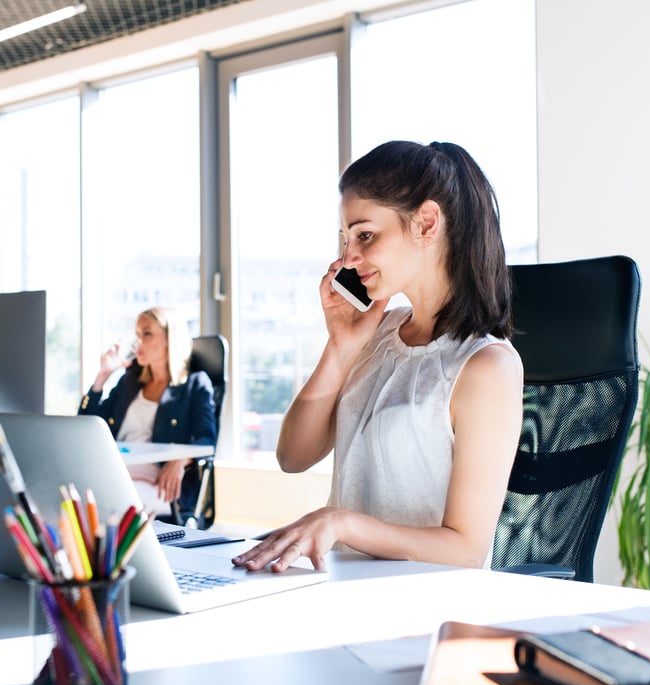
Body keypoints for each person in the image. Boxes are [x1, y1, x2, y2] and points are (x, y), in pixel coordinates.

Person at [232, 140, 523, 574]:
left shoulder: (486, 366)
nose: (348, 257)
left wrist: (342, 523)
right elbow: (293, 456)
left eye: (365, 235)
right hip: (340, 585)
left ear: (426, 223)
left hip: (419, 607)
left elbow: (466, 550)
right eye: (346, 239)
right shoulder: (378, 331)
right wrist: (341, 346)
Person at [79, 307, 217, 522]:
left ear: (169, 339)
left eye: (147, 333)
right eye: (137, 335)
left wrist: (180, 460)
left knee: (107, 505)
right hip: (112, 471)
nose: (138, 342)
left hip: (157, 481)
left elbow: (206, 438)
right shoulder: (130, 381)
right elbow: (86, 427)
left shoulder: (194, 384)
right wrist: (102, 377)